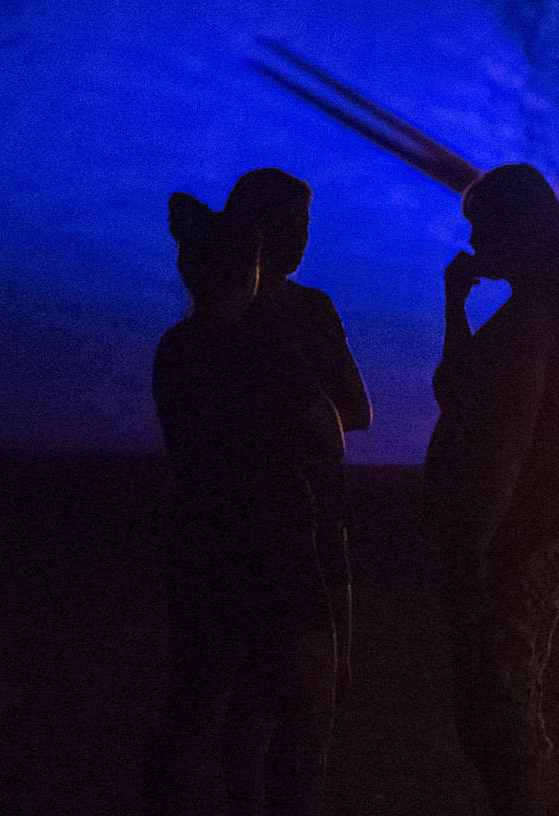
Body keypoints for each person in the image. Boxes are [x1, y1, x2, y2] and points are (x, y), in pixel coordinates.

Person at [147, 192, 339, 816]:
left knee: (192, 709)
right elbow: (328, 433)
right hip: (274, 545)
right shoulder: (266, 351)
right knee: (303, 714)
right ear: (251, 271)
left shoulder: (175, 348)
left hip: (198, 542)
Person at [423, 163, 559, 816]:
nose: (473, 240)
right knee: (500, 700)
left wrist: (475, 543)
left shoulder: (530, 318)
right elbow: (456, 388)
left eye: (482, 227)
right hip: (536, 519)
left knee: (501, 713)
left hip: (525, 525)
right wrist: (456, 305)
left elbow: (511, 443)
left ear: (513, 229)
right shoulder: (549, 304)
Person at [220, 168, 370, 809]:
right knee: (305, 718)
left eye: (305, 225)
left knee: (244, 715)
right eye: (292, 224)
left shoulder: (215, 323)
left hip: (253, 531)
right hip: (304, 527)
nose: (303, 238)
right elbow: (355, 409)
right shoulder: (307, 312)